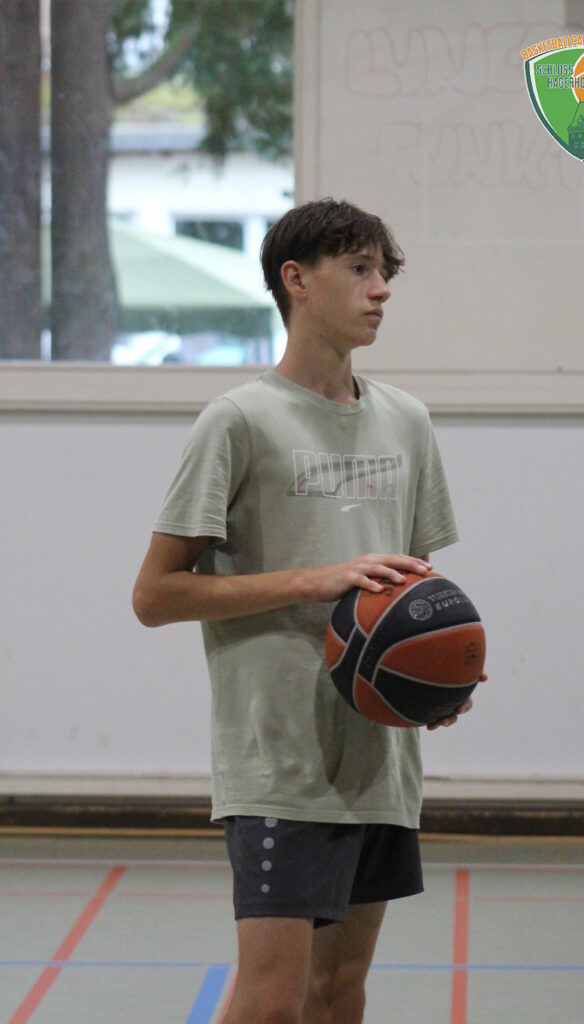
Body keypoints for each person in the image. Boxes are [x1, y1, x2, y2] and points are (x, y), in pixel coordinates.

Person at [133, 198, 480, 1024]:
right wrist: (309, 580)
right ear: (295, 279)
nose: (380, 289)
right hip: (279, 761)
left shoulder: (406, 420)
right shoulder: (238, 421)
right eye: (358, 270)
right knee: (269, 1005)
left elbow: (413, 586)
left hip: (377, 759)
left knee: (336, 994)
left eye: (384, 273)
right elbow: (155, 594)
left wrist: (434, 676)